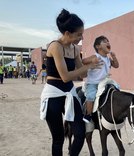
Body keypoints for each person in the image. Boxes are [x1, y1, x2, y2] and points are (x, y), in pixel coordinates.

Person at [40, 9, 100, 156]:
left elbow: (83, 73)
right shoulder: (55, 46)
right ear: (67, 33)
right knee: (58, 138)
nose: (81, 37)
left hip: (69, 93)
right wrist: (87, 66)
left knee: (80, 134)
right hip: (53, 94)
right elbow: (65, 76)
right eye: (79, 34)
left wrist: (91, 63)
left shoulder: (74, 49)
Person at [82, 35, 119, 123]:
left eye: (108, 41)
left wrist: (114, 57)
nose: (108, 43)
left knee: (116, 89)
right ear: (98, 46)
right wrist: (92, 61)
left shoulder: (108, 59)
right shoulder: (95, 56)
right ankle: (88, 114)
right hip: (93, 83)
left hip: (105, 82)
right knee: (91, 96)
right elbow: (83, 61)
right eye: (105, 42)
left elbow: (116, 65)